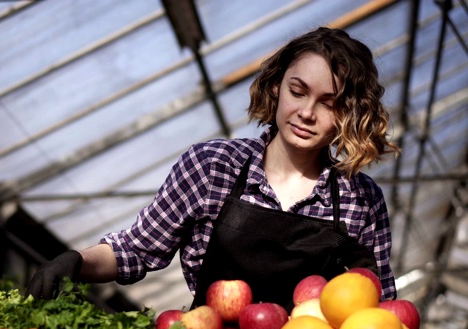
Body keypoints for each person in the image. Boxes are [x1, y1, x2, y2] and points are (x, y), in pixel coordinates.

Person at [26, 27, 400, 313]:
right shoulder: (213, 167)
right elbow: (137, 249)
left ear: (349, 115)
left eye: (328, 103)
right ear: (276, 88)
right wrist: (75, 260)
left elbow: (378, 308)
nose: (306, 112)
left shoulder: (360, 200)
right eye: (297, 91)